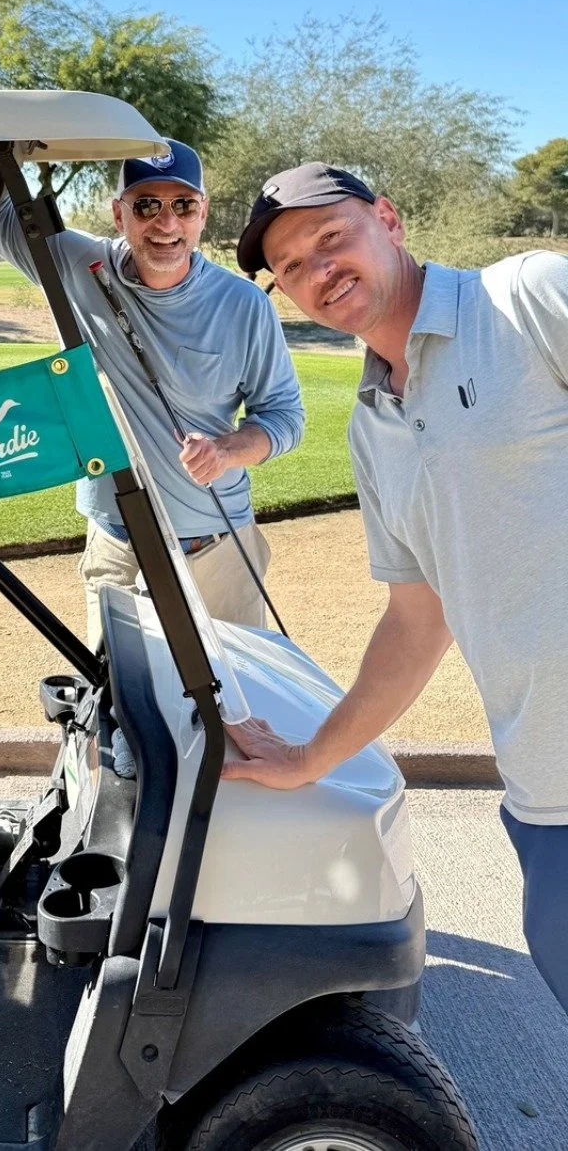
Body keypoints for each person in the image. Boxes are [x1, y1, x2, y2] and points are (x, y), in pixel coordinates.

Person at [227, 160, 568, 1017]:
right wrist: (312, 757)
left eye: (331, 238)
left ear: (391, 219)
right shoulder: (373, 426)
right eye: (292, 267)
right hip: (546, 796)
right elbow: (417, 619)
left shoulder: (528, 297)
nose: (318, 271)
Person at [0, 140, 304, 645]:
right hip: (117, 539)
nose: (165, 224)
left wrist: (227, 450)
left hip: (217, 545)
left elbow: (284, 417)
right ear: (119, 213)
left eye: (183, 205)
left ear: (202, 213)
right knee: (120, 704)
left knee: (240, 711)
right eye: (146, 205)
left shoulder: (243, 306)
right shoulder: (74, 264)